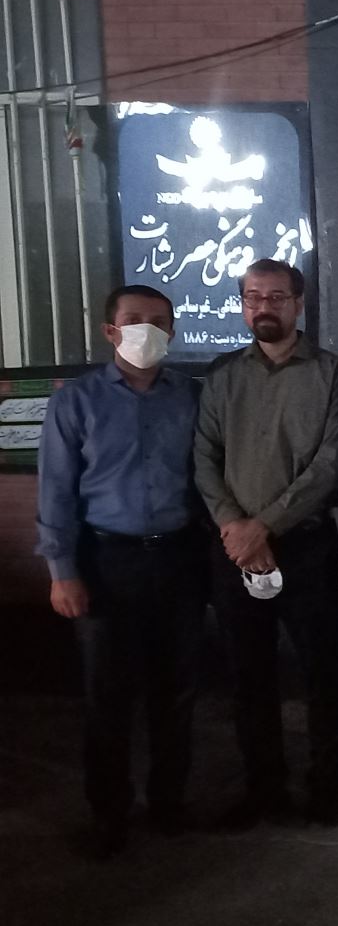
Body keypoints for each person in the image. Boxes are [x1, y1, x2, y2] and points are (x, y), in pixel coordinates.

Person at [35, 285, 206, 857]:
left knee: (176, 691)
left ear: (173, 332)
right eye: (134, 320)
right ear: (110, 330)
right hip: (107, 561)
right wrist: (62, 571)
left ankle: (169, 803)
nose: (147, 330)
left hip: (178, 559)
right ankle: (109, 813)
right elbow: (56, 491)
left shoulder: (191, 396)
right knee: (108, 696)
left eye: (159, 321)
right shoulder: (77, 402)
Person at [193, 258, 338, 829]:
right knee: (249, 676)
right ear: (242, 304)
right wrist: (234, 527)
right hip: (233, 549)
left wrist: (263, 526)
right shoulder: (222, 375)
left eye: (277, 297)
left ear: (298, 303)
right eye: (253, 297)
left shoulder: (334, 373)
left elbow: (329, 464)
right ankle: (264, 790)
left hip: (306, 547)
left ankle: (325, 790)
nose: (264, 306)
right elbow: (204, 457)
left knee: (322, 673)